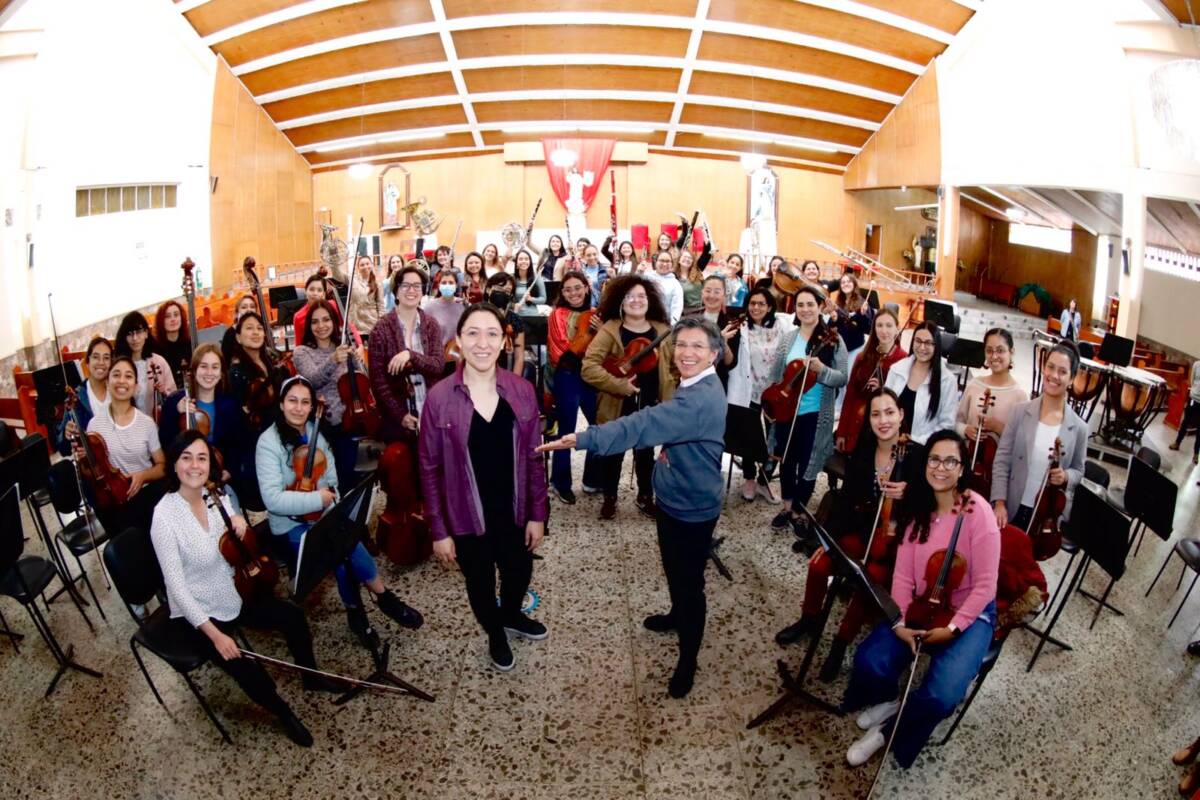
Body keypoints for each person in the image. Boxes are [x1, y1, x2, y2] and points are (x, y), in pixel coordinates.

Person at [540, 317, 727, 698]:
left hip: (692, 507)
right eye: (682, 345)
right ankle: (677, 615)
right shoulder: (694, 383)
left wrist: (582, 438)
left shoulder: (701, 398)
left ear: (714, 354)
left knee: (690, 585)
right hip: (674, 497)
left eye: (697, 347)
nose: (687, 353)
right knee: (675, 572)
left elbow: (643, 424)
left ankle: (688, 659)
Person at [150, 431, 337, 748]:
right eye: (186, 458)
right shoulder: (164, 517)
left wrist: (237, 519)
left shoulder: (214, 494)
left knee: (292, 617)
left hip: (237, 586)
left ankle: (311, 676)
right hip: (201, 609)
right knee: (247, 670)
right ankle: (282, 712)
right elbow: (176, 589)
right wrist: (216, 635)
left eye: (202, 458)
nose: (195, 466)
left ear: (210, 464)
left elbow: (235, 528)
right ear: (174, 464)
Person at [841, 430, 1000, 769]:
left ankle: (888, 732)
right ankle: (890, 699)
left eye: (950, 461)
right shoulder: (919, 510)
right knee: (871, 659)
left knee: (943, 694)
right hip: (924, 603)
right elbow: (903, 577)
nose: (940, 468)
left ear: (961, 469)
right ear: (924, 463)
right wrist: (900, 624)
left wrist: (955, 628)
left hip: (970, 611)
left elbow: (986, 585)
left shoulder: (979, 512)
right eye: (934, 459)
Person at [420, 304, 548, 672]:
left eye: (492, 333)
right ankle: (494, 632)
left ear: (504, 341)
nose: (482, 342)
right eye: (472, 333)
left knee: (519, 572)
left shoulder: (522, 390)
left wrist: (538, 514)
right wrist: (439, 530)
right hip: (465, 514)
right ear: (458, 341)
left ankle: (510, 615)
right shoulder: (440, 398)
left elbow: (535, 460)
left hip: (514, 508)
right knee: (479, 582)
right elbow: (428, 468)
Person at [256, 376, 423, 647]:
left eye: (305, 402)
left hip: (322, 514)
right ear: (281, 403)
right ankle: (380, 600)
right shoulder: (268, 442)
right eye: (292, 401)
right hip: (290, 525)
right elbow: (272, 500)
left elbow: (331, 478)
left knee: (345, 542)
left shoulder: (315, 431)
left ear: (312, 407)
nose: (298, 408)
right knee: (339, 549)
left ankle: (363, 609)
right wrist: (317, 501)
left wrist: (331, 506)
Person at [776, 389, 920, 683]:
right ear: (868, 420)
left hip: (892, 546)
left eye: (890, 412)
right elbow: (844, 502)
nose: (883, 420)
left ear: (902, 415)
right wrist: (827, 542)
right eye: (876, 414)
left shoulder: (917, 457)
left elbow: (934, 502)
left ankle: (840, 644)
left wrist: (910, 492)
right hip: (860, 531)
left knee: (869, 583)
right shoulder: (864, 453)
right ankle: (809, 619)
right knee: (818, 565)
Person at [582, 275, 676, 521]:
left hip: (651, 402)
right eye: (630, 296)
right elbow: (589, 367)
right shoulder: (611, 329)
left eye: (642, 296)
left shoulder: (663, 331)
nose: (637, 301)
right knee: (613, 451)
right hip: (618, 401)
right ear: (621, 302)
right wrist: (618, 385)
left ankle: (646, 496)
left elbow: (674, 367)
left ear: (650, 300)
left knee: (645, 451)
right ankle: (610, 497)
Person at [768, 285, 848, 539]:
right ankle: (787, 507)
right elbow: (776, 375)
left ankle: (801, 512)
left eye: (810, 304)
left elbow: (842, 377)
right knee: (787, 461)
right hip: (787, 411)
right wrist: (772, 400)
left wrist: (822, 369)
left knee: (808, 462)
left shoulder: (833, 340)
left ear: (820, 306)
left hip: (816, 413)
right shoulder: (788, 339)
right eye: (800, 305)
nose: (805, 310)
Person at [991, 341, 1087, 531]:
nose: (1054, 376)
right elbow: (1002, 459)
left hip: (1044, 514)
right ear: (1043, 368)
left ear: (1072, 379)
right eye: (1050, 367)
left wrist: (1066, 475)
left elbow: (1079, 471)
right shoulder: (1020, 412)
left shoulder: (1079, 427)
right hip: (1011, 505)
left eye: (1062, 371)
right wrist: (999, 502)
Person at [157, 344, 259, 512]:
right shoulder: (176, 401)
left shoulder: (230, 404)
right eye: (203, 366)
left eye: (215, 367)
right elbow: (166, 442)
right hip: (185, 482)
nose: (209, 373)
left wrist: (230, 471)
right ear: (195, 370)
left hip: (219, 479)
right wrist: (176, 413)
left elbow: (244, 444)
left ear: (221, 373)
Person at [77, 354, 166, 536]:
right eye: (116, 375)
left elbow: (163, 467)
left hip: (146, 497)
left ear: (135, 387)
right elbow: (93, 475)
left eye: (128, 376)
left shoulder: (146, 423)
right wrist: (83, 462)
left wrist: (142, 476)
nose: (121, 381)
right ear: (108, 383)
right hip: (115, 502)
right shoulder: (94, 425)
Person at [292, 300, 368, 490]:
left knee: (361, 474)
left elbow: (363, 381)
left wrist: (357, 361)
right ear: (309, 326)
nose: (321, 326)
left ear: (334, 321)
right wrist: (333, 360)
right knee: (341, 476)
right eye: (315, 322)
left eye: (326, 320)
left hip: (355, 417)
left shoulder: (343, 346)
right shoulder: (302, 352)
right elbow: (312, 380)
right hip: (328, 424)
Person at [725, 287, 791, 503]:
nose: (756, 307)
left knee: (776, 441)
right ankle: (750, 479)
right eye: (752, 303)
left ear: (770, 306)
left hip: (775, 393)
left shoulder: (782, 325)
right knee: (749, 438)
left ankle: (764, 482)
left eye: (761, 303)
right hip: (750, 391)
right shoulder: (742, 327)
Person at [370, 265, 444, 444]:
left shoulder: (431, 324)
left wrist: (410, 355)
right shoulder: (380, 329)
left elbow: (438, 366)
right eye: (405, 285)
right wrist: (400, 415)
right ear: (396, 291)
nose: (412, 290)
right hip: (398, 418)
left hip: (431, 411)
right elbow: (378, 381)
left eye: (417, 286)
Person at [546, 271, 603, 503]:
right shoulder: (557, 314)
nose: (573, 293)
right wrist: (588, 342)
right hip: (568, 375)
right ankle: (560, 483)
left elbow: (606, 347)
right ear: (562, 293)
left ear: (587, 288)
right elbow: (560, 349)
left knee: (599, 427)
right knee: (566, 430)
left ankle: (591, 480)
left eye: (577, 288)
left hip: (592, 376)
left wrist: (600, 330)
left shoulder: (597, 315)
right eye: (568, 289)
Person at [835, 309, 906, 453]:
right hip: (856, 426)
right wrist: (841, 431)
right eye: (879, 325)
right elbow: (850, 395)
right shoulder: (862, 356)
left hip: (882, 431)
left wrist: (882, 390)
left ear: (897, 328)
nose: (884, 330)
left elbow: (902, 402)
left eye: (889, 325)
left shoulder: (904, 360)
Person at [884, 321, 958, 446]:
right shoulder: (896, 369)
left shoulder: (947, 380)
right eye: (918, 341)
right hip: (890, 442)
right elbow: (883, 406)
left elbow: (947, 424)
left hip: (923, 448)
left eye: (928, 343)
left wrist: (916, 440)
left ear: (937, 346)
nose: (922, 347)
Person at [955, 328, 1027, 451]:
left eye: (1000, 351)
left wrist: (999, 428)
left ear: (1011, 352)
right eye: (989, 351)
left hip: (998, 465)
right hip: (967, 455)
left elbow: (1023, 442)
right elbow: (955, 422)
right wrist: (965, 429)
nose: (994, 356)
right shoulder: (974, 385)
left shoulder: (1020, 395)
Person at [227, 312, 291, 433]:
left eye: (259, 328)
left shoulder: (273, 361)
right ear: (238, 338)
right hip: (259, 434)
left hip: (285, 426)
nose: (256, 332)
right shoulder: (236, 373)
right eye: (249, 328)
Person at [55, 335, 112, 456]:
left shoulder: (118, 390)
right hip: (96, 465)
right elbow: (63, 449)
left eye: (106, 358)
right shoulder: (76, 397)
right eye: (96, 357)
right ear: (87, 362)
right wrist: (66, 435)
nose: (101, 362)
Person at [113, 311, 176, 418]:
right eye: (129, 334)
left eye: (139, 332)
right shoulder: (120, 366)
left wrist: (164, 391)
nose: (135, 338)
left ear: (146, 333)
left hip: (157, 423)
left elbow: (174, 395)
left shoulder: (158, 362)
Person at [828, 272, 874, 418]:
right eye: (843, 282)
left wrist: (863, 314)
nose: (845, 284)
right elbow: (831, 327)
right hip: (841, 347)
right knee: (841, 378)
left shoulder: (862, 302)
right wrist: (834, 319)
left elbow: (868, 328)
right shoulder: (839, 303)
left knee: (849, 379)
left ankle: (847, 408)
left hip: (855, 347)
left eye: (849, 282)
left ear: (854, 284)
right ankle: (839, 405)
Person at [685, 275, 738, 386]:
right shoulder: (690, 319)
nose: (712, 296)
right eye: (708, 291)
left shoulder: (731, 324)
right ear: (702, 293)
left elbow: (730, 363)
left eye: (717, 292)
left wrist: (723, 343)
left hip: (716, 382)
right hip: (690, 379)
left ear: (724, 296)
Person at [484, 272, 527, 376]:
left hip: (505, 372)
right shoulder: (476, 315)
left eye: (507, 291)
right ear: (488, 289)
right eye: (499, 288)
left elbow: (519, 357)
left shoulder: (514, 320)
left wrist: (513, 384)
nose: (502, 293)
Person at [422, 268, 465, 366]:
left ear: (456, 285)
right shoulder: (430, 307)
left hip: (460, 357)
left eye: (451, 282)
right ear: (439, 285)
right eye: (444, 282)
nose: (447, 285)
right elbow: (424, 333)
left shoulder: (462, 305)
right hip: (439, 359)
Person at [153, 300, 193, 385]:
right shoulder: (155, 349)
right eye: (167, 316)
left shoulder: (190, 343)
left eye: (176, 315)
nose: (173, 319)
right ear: (161, 321)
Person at [1169, 357, 1200, 465]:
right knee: (1185, 421)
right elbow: (1192, 381)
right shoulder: (1196, 364)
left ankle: (1196, 454)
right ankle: (1177, 443)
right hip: (1193, 398)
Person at [347, 254, 386, 336]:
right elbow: (337, 275)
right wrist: (335, 261)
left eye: (367, 264)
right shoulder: (352, 280)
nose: (365, 266)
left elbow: (381, 305)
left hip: (372, 324)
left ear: (371, 265)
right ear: (358, 268)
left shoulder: (377, 283)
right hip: (356, 324)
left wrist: (381, 323)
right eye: (362, 265)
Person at [644, 250, 684, 323]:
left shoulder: (675, 284)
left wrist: (672, 327)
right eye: (662, 260)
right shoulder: (646, 277)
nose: (665, 264)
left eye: (668, 261)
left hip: (663, 323)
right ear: (656, 262)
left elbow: (677, 308)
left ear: (672, 264)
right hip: (643, 320)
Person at [221, 294, 260, 365]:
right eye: (244, 307)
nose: (249, 310)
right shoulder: (230, 334)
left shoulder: (260, 330)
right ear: (236, 313)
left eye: (252, 307)